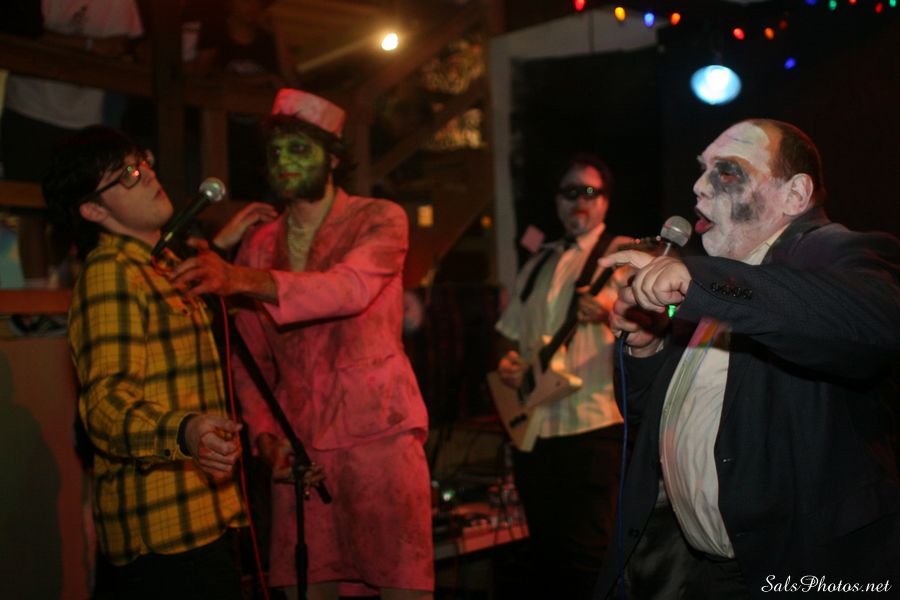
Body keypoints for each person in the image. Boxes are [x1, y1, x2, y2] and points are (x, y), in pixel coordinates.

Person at [594, 119, 900, 599]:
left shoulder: (831, 251)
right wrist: (648, 349)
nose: (699, 186)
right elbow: (659, 418)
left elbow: (875, 321)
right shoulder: (719, 281)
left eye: (727, 171)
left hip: (802, 570)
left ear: (795, 194)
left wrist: (699, 281)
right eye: (701, 170)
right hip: (702, 571)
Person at [170, 88, 433, 600]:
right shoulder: (259, 243)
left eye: (298, 149)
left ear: (333, 158)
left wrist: (240, 278)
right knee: (307, 584)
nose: (284, 161)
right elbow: (248, 355)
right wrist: (265, 434)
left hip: (377, 437)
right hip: (299, 447)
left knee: (400, 584)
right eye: (275, 152)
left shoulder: (379, 218)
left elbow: (348, 289)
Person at [42, 125, 270, 598]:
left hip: (201, 516)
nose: (146, 173)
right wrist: (185, 431)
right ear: (94, 210)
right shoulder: (111, 272)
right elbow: (105, 407)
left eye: (142, 161)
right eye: (126, 174)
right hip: (163, 535)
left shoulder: (155, 266)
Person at [494, 154, 633, 600]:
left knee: (589, 557)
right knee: (545, 556)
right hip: (535, 430)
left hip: (591, 423)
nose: (579, 200)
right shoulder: (538, 262)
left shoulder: (626, 255)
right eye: (570, 192)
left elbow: (669, 314)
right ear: (556, 201)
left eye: (589, 191)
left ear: (606, 200)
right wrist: (508, 362)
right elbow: (509, 333)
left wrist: (612, 311)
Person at [2, 0, 144, 287]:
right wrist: (90, 45)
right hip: (30, 109)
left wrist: (68, 44)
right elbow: (20, 32)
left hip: (85, 119)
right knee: (30, 209)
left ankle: (59, 280)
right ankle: (38, 298)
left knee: (75, 213)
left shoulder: (122, 4)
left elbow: (123, 47)